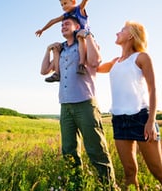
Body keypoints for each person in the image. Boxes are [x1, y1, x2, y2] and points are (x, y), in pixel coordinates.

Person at [41, 16, 118, 190]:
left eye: (67, 24)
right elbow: (44, 70)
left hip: (85, 103)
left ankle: (109, 187)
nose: (63, 27)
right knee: (68, 150)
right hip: (65, 105)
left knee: (95, 149)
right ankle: (75, 185)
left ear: (77, 26)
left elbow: (96, 61)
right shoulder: (62, 51)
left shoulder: (84, 43)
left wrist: (88, 35)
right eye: (61, 25)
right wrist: (48, 50)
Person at [97, 21, 162, 190]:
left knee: (158, 170)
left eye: (122, 30)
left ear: (131, 35)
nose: (117, 33)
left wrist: (151, 121)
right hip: (119, 120)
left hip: (141, 118)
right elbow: (94, 68)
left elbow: (153, 90)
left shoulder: (141, 57)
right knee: (129, 172)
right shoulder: (115, 62)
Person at [36, 0, 106, 82]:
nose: (63, 7)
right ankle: (57, 73)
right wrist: (42, 29)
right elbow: (53, 20)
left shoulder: (79, 9)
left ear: (73, 2)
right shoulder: (66, 15)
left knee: (79, 36)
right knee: (56, 48)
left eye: (65, 3)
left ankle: (81, 64)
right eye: (61, 5)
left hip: (84, 36)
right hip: (73, 39)